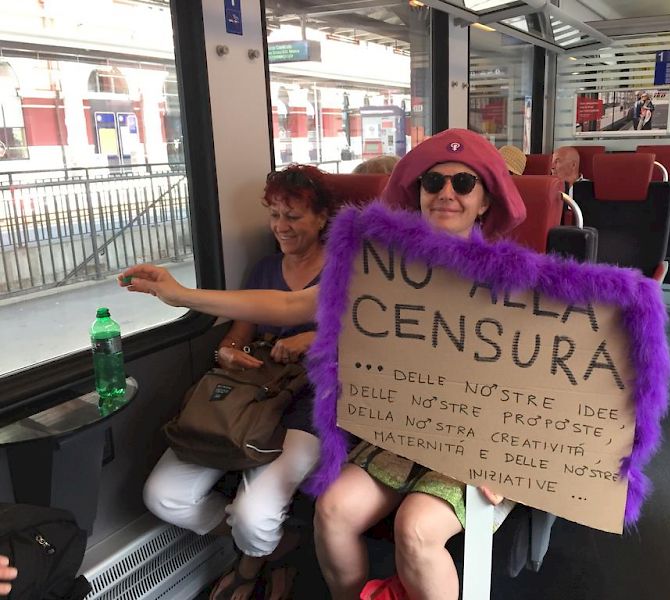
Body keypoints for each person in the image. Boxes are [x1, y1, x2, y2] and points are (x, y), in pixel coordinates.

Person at [120, 128, 526, 600]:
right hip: (406, 431)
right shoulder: (380, 266)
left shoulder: (514, 277)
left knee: (415, 529)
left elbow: (536, 376)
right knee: (332, 511)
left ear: (484, 201)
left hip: (479, 438)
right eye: (433, 182)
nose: (446, 193)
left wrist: (503, 460)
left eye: (464, 183)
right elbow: (289, 305)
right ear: (418, 195)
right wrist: (183, 296)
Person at [141, 164, 334, 600]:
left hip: (311, 398)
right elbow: (237, 334)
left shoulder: (347, 269)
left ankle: (250, 563)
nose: (281, 226)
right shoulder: (264, 269)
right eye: (275, 215)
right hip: (252, 394)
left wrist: (312, 339)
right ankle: (277, 546)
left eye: (293, 216)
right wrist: (227, 352)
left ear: (322, 218)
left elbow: (357, 332)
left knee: (254, 514)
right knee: (164, 495)